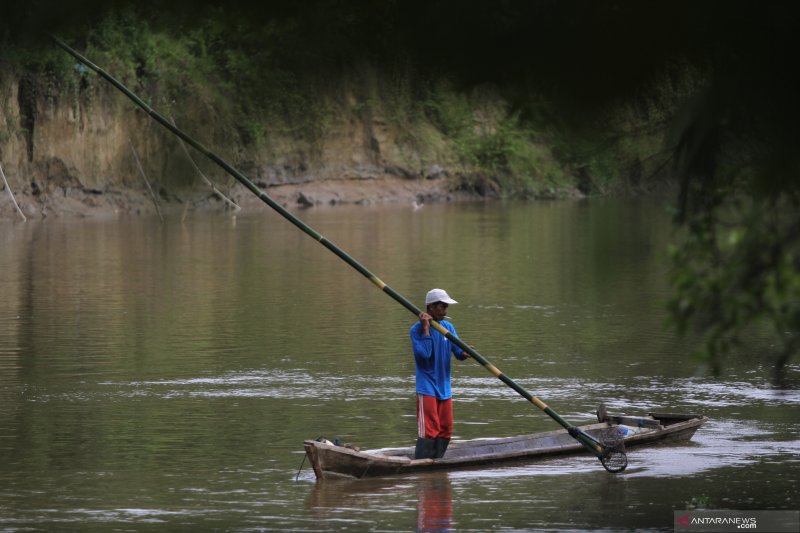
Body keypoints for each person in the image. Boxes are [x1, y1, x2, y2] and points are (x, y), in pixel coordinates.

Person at [409, 288, 469, 459]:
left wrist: (465, 353)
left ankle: (437, 462)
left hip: (444, 386)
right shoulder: (416, 330)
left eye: (445, 307)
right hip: (427, 386)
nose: (445, 310)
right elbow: (425, 354)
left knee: (445, 429)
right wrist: (426, 328)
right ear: (430, 308)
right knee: (430, 429)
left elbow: (458, 352)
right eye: (442, 307)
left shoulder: (448, 327)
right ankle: (422, 464)